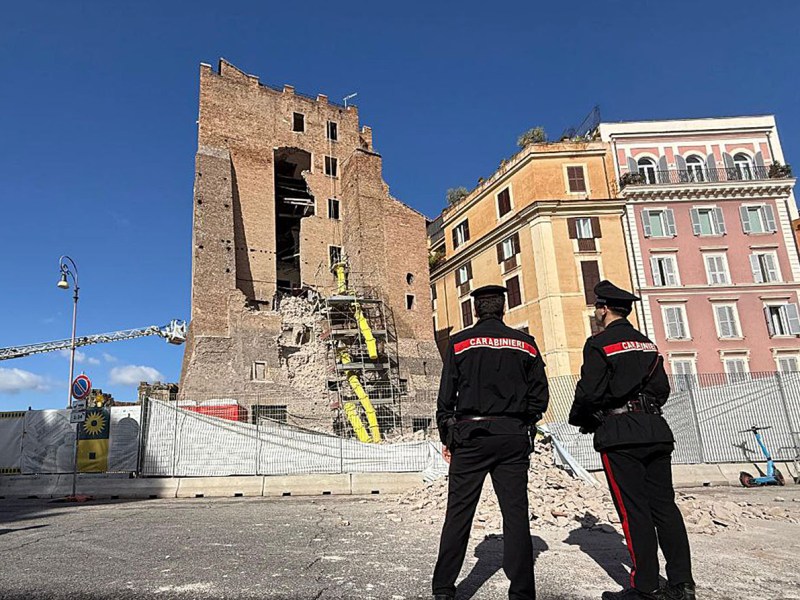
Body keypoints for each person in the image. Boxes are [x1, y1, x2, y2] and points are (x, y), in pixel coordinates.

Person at [569, 281, 695, 600]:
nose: (597, 312)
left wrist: (584, 418)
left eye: (597, 308)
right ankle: (682, 584)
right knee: (665, 508)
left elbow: (590, 392)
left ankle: (644, 587)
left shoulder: (599, 343)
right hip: (655, 429)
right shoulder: (647, 344)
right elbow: (662, 391)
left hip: (620, 433)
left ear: (604, 309)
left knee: (633, 510)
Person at [432, 284, 549, 600]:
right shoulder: (526, 344)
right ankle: (522, 592)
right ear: (503, 308)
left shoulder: (459, 344)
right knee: (515, 513)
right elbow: (540, 395)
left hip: (470, 436)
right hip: (512, 436)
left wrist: (448, 437)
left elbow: (446, 398)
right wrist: (524, 422)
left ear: (474, 310)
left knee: (458, 513)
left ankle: (444, 589)